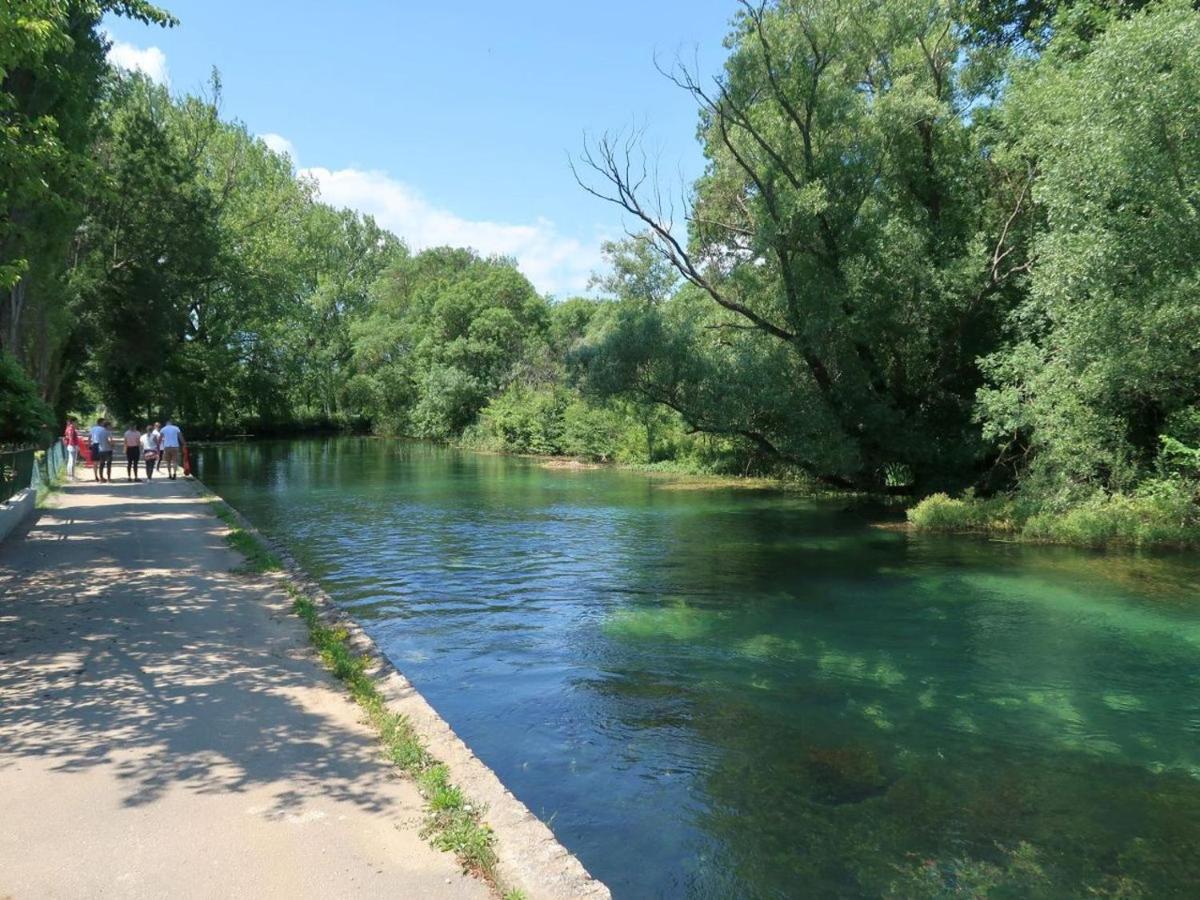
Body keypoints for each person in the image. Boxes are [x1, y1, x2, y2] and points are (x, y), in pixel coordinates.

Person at [89, 418, 113, 483]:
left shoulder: (93, 428)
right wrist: (112, 445)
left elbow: (89, 437)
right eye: (104, 422)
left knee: (95, 462)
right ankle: (106, 478)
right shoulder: (104, 430)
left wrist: (90, 445)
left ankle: (96, 477)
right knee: (104, 463)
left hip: (94, 445)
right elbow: (109, 440)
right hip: (101, 446)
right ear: (101, 423)